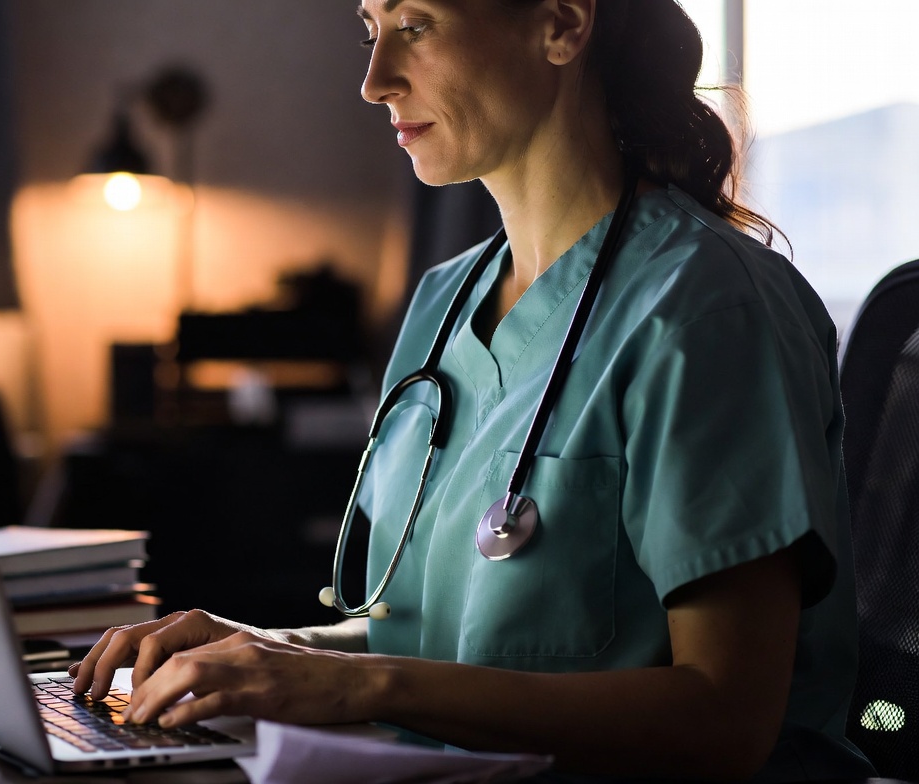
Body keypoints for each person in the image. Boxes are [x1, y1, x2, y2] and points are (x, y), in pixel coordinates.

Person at [70, 1, 876, 779]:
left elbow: (724, 719)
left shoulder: (706, 312)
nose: (375, 80)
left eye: (415, 26)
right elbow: (434, 645)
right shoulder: (446, 301)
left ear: (561, 23)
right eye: (370, 32)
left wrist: (356, 686)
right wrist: (256, 650)